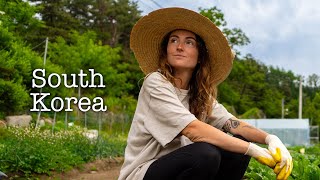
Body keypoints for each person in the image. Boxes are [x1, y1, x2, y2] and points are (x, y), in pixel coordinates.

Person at [118, 7, 293, 180]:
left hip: (178, 172)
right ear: (166, 50)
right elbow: (193, 129)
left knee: (237, 148)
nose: (179, 47)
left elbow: (233, 124)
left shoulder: (199, 95)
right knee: (205, 155)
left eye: (189, 42)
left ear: (200, 56)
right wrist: (254, 150)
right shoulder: (156, 83)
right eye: (173, 40)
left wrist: (270, 138)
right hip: (143, 172)